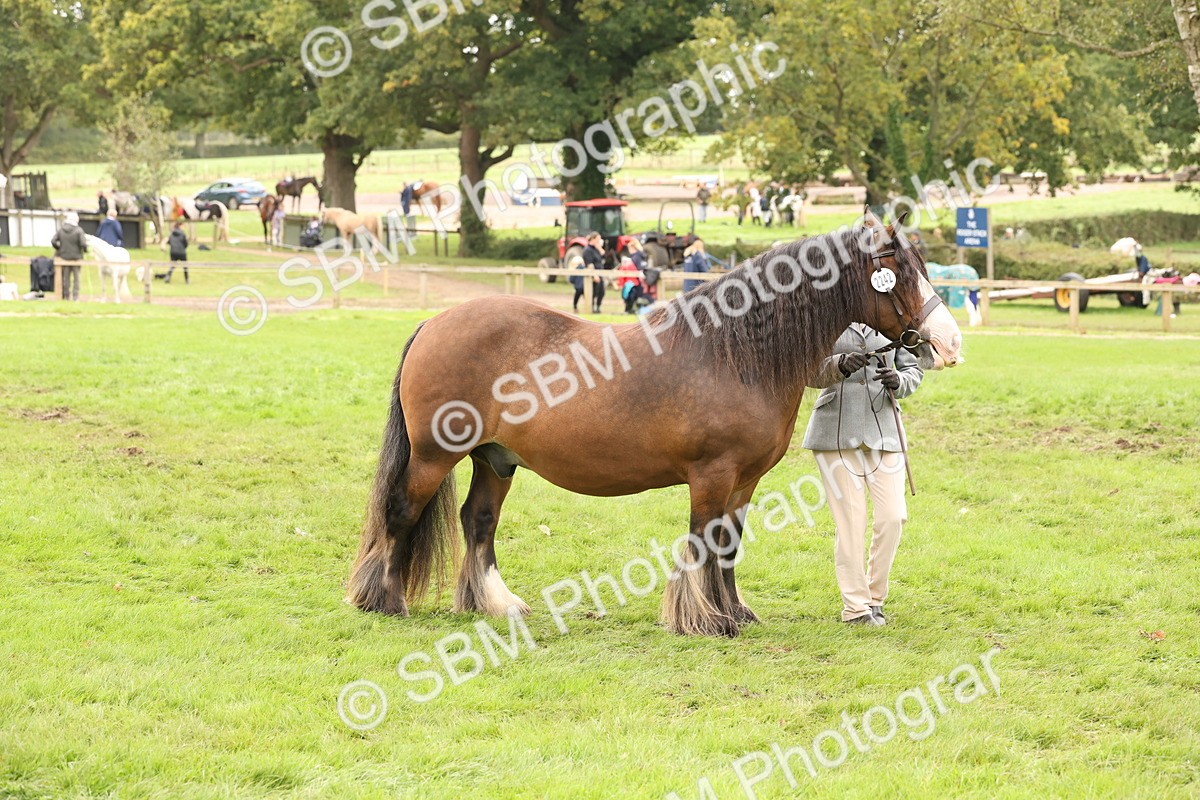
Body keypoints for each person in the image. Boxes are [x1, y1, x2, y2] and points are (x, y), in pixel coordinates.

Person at [802, 324, 924, 626]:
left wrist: (899, 380)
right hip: (834, 431)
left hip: (886, 430)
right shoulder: (826, 316)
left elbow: (914, 367)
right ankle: (856, 608)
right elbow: (805, 371)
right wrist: (838, 365)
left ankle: (875, 597)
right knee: (851, 522)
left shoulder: (893, 316)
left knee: (893, 516)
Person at [51, 211, 87, 301]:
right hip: (76, 258)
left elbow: (53, 241)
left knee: (65, 278)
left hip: (64, 257)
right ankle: (75, 297)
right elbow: (83, 243)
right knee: (76, 278)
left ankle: (66, 296)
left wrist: (59, 248)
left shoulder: (61, 229)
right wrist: (85, 250)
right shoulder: (79, 230)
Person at [581, 232, 607, 313]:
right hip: (593, 275)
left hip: (600, 273)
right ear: (593, 239)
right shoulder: (587, 250)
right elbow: (589, 264)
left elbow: (604, 256)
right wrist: (594, 275)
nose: (599, 241)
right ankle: (591, 308)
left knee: (601, 292)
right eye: (598, 239)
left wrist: (599, 248)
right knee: (593, 292)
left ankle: (598, 307)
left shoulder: (596, 249)